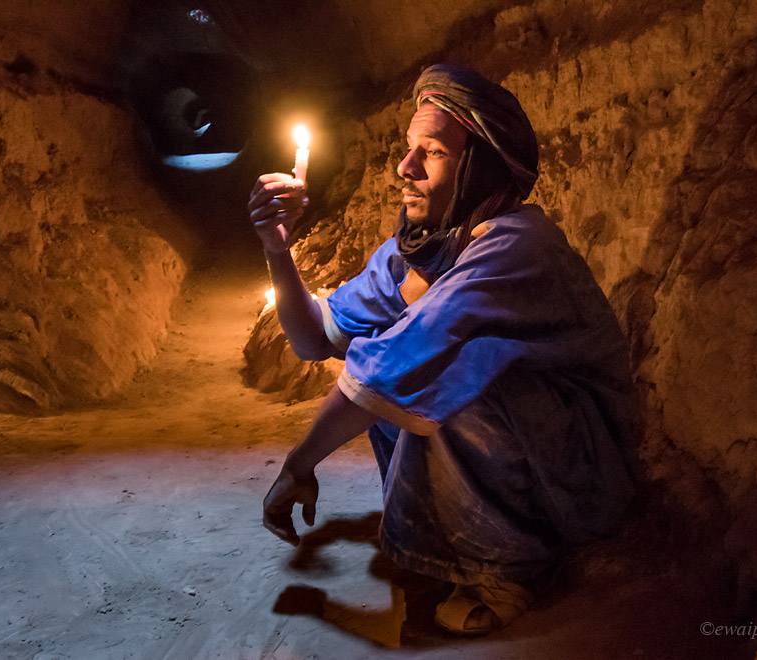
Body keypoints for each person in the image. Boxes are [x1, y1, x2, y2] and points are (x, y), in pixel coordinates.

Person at [248, 63, 636, 635]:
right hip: (534, 455)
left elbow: (386, 368)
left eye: (431, 152)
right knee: (406, 366)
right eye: (409, 149)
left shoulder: (517, 245)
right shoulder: (422, 253)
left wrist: (298, 464)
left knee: (453, 371)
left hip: (583, 473)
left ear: (479, 169)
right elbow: (313, 339)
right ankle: (449, 545)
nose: (404, 168)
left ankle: (509, 565)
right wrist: (277, 250)